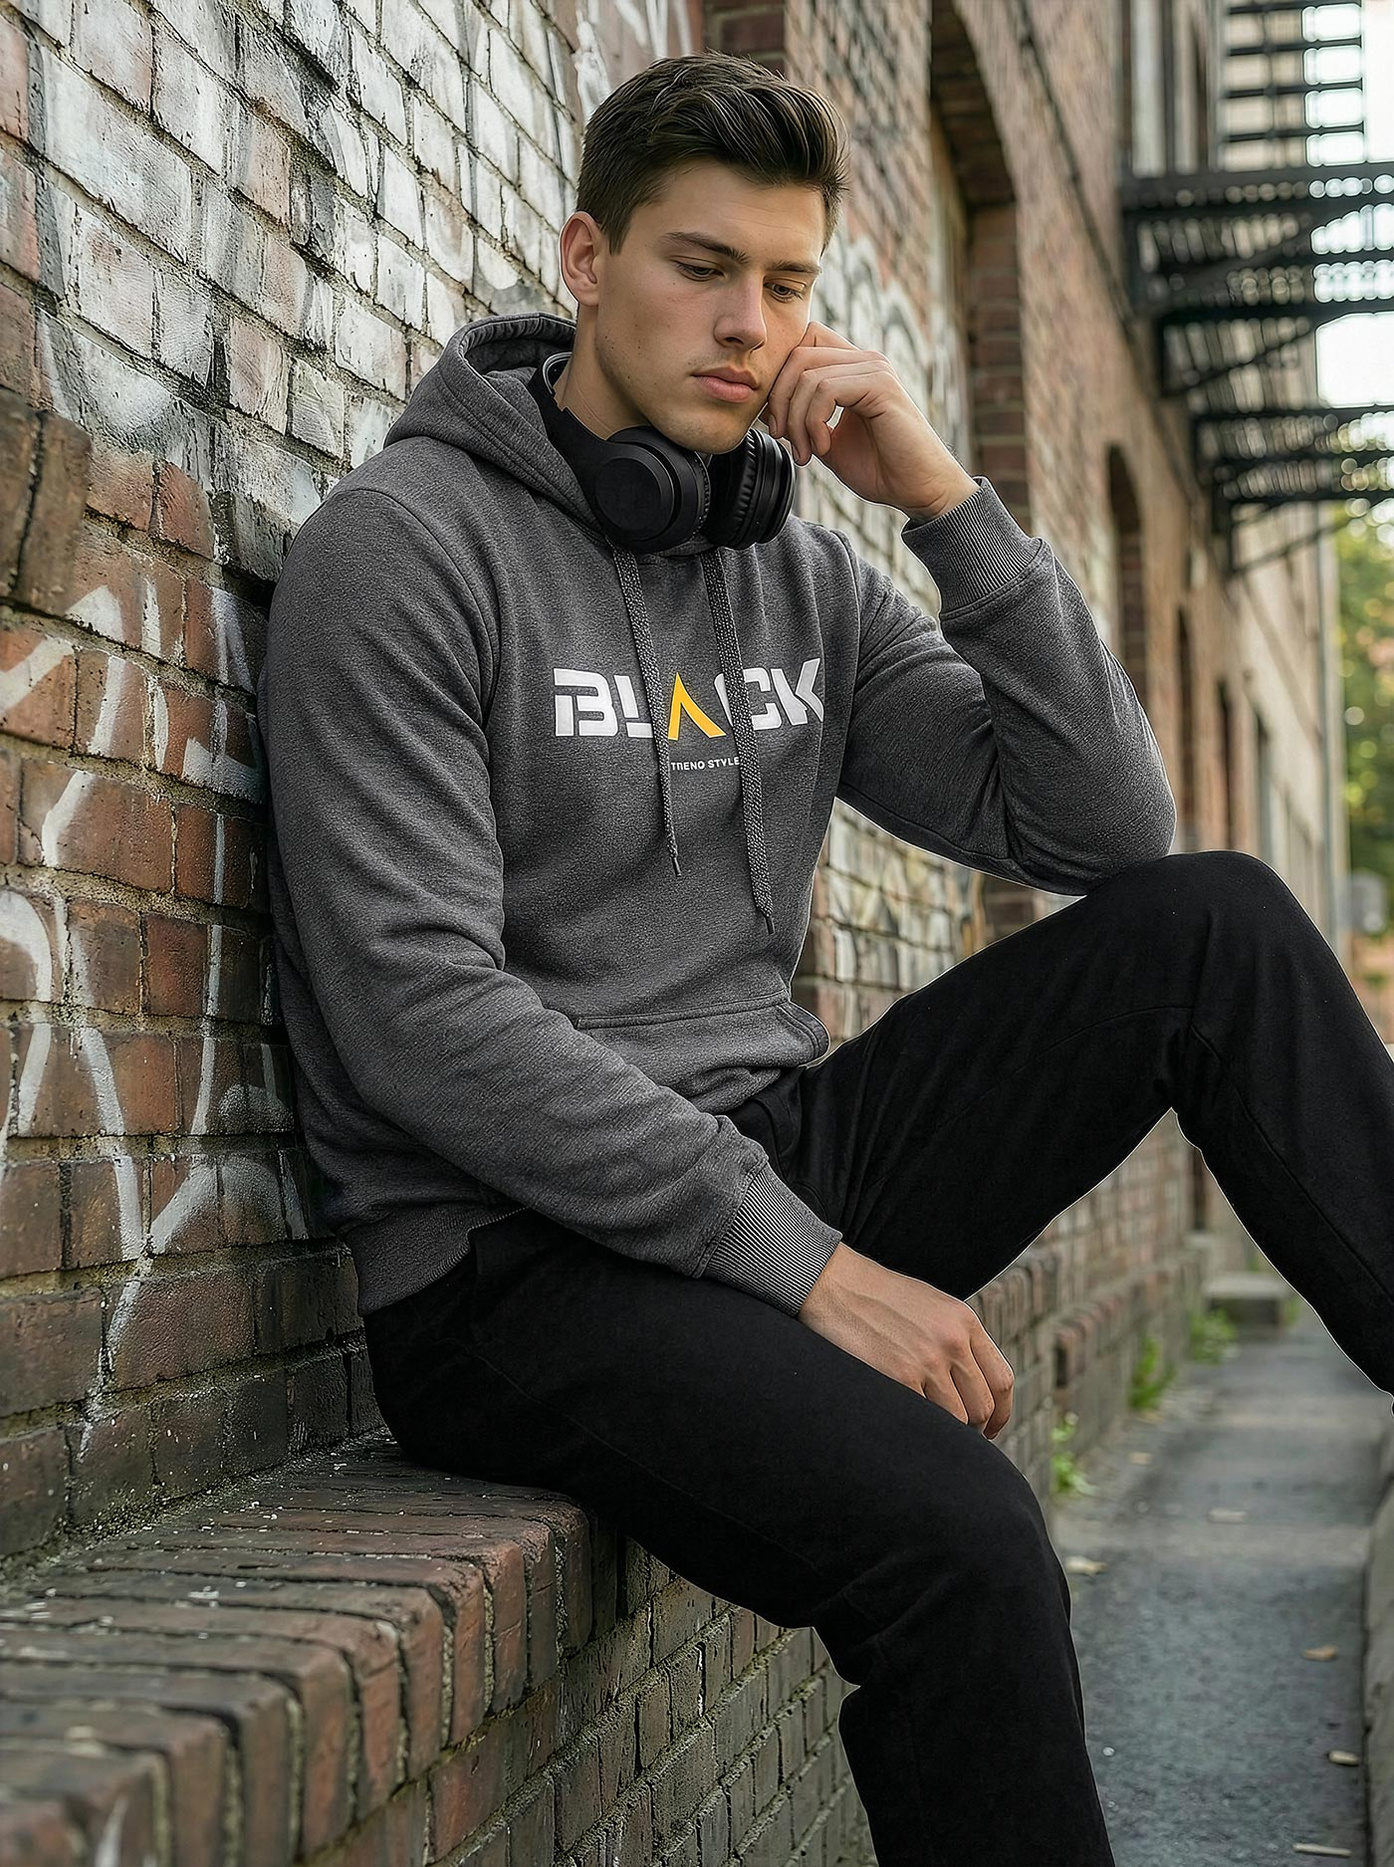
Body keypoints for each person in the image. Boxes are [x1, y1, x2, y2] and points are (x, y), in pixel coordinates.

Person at [256, 49, 1394, 1867]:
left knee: (1218, 924)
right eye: (700, 266)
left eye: (786, 284)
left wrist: (940, 497)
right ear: (586, 259)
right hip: (510, 1266)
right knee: (968, 1545)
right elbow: (418, 1016)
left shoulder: (794, 573)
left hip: (765, 1164)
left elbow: (1104, 831)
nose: (747, 324)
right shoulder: (401, 553)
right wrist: (812, 1273)